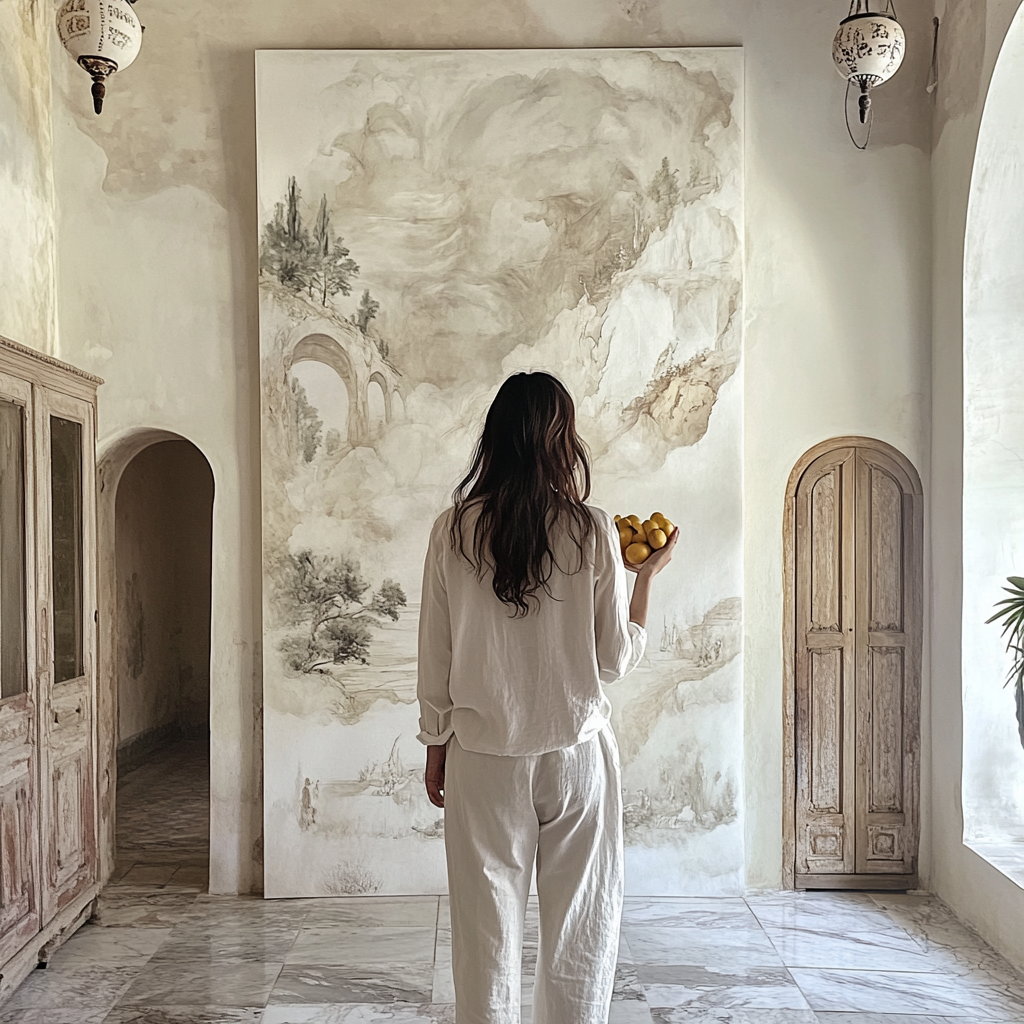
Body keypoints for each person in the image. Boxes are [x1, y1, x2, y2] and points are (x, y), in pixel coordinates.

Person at [416, 371, 677, 1024]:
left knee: (484, 932)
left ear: (495, 439)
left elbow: (435, 653)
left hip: (481, 756)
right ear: (563, 441)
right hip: (575, 755)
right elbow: (615, 659)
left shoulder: (452, 530)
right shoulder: (589, 529)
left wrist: (434, 742)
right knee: (581, 929)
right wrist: (643, 580)